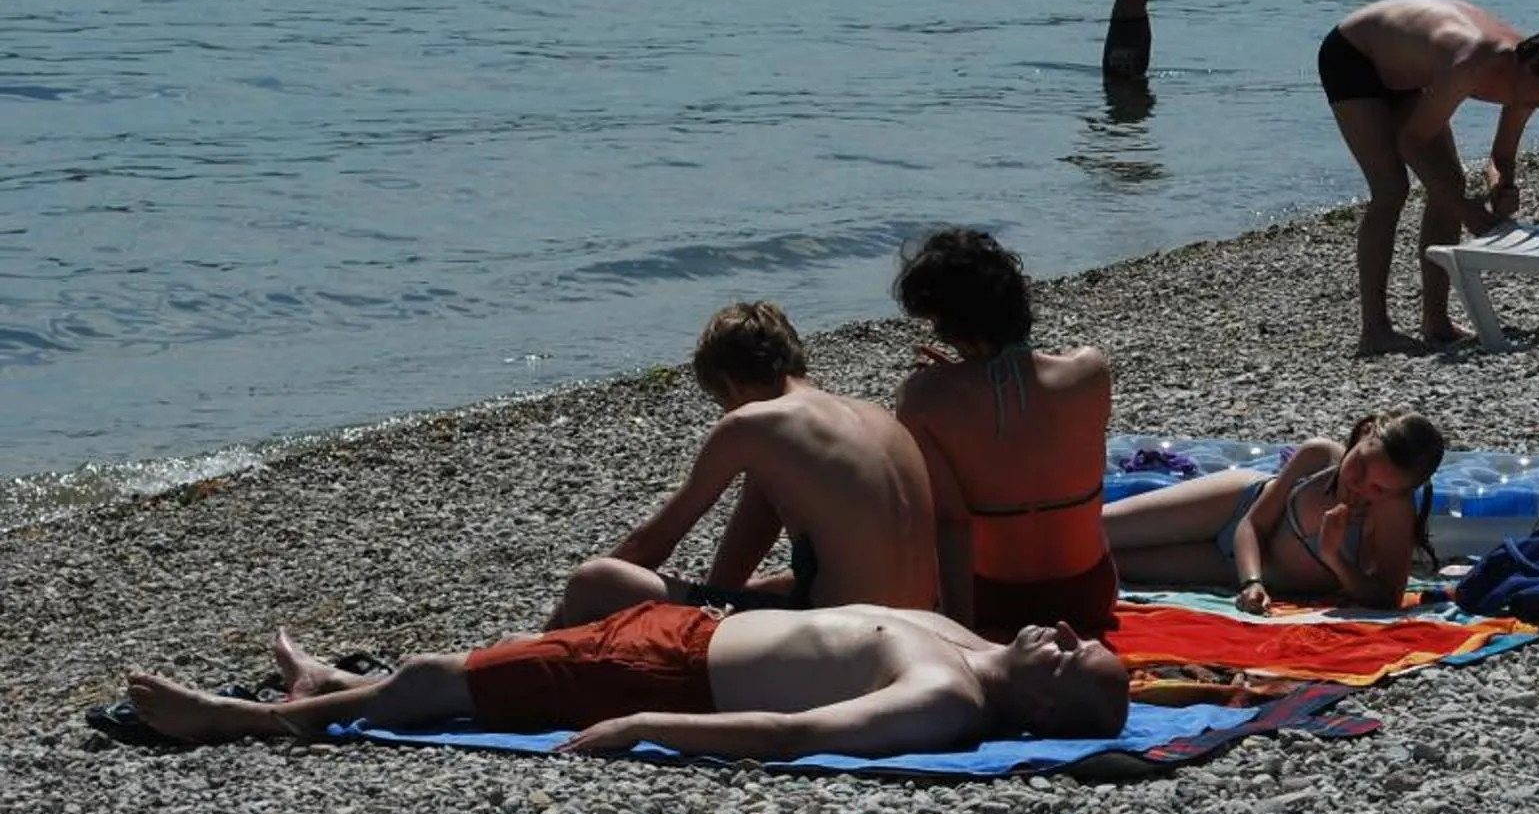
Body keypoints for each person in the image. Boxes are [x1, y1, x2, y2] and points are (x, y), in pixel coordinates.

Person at [118, 608, 1128, 756]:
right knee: (492, 664)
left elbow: (798, 732)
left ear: (1040, 705)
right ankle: (340, 684)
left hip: (664, 672)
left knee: (445, 677)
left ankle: (256, 721)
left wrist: (647, 721)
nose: (1064, 632)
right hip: (684, 633)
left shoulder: (948, 698)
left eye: (1070, 654)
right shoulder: (968, 644)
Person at [545, 303, 938, 629]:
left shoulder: (752, 424)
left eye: (722, 401)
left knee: (592, 581)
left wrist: (555, 624)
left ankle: (541, 651)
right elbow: (758, 525)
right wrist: (721, 594)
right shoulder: (876, 417)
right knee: (766, 585)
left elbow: (650, 545)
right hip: (922, 625)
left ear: (730, 383)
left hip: (846, 637)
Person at [1317, 0, 1539, 353]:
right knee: (1390, 188)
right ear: (1529, 67)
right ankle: (1375, 331)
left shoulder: (1527, 83)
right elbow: (1411, 141)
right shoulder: (1472, 64)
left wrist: (1501, 187)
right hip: (1354, 54)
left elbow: (1502, 156)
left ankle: (1436, 322)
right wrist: (1464, 210)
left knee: (1450, 184)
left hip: (1405, 70)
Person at [893, 228, 1123, 641]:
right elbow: (1025, 424)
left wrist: (963, 637)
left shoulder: (923, 399)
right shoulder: (1089, 371)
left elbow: (952, 524)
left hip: (994, 603)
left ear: (946, 324)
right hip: (1089, 596)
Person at [1103, 410, 1448, 612]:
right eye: (1360, 465)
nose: (1360, 485)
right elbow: (1252, 524)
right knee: (1095, 528)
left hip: (1227, 565)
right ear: (1363, 434)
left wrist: (1334, 557)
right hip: (1234, 505)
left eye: (1379, 488)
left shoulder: (1391, 513)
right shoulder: (1319, 456)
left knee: (1102, 564)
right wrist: (1252, 582)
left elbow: (1387, 598)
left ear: (1400, 492)